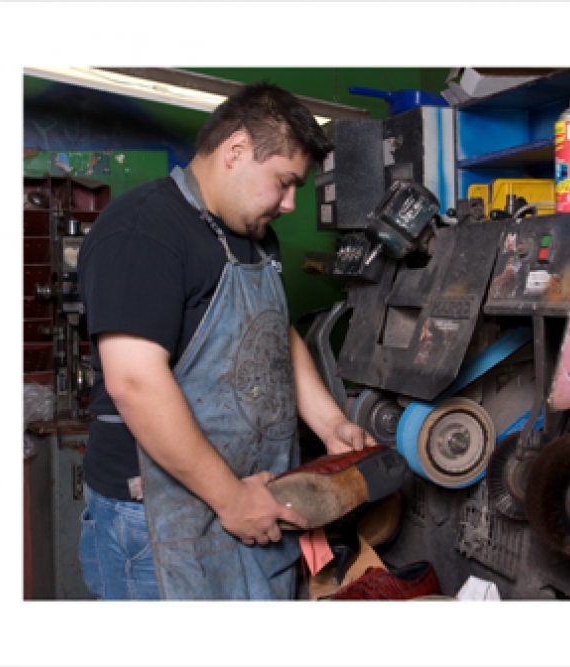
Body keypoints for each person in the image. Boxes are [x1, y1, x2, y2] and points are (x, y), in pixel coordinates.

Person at [77, 82, 377, 600]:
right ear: (236, 151)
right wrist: (232, 500)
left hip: (251, 500)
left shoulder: (254, 235)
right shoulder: (143, 230)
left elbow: (273, 330)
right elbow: (134, 383)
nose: (288, 204)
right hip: (156, 520)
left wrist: (330, 424)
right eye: (284, 183)